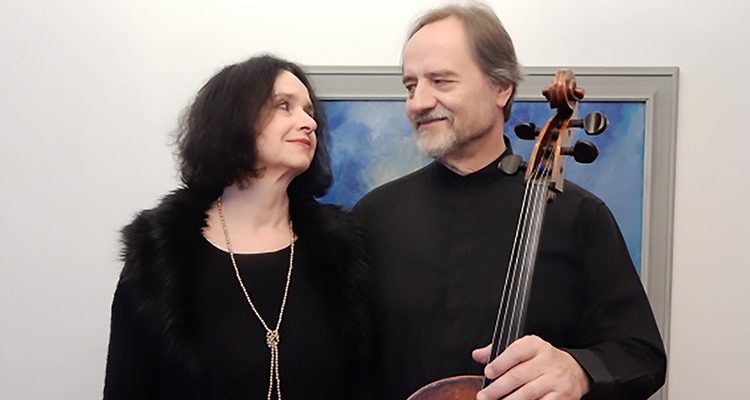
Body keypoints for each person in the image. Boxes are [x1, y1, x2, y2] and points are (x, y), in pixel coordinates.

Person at [352, 4, 666, 400]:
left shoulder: (579, 217)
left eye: (441, 81)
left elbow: (641, 356)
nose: (417, 102)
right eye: (410, 86)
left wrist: (579, 370)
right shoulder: (373, 217)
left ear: (501, 87)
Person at [104, 54, 371, 399]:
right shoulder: (157, 256)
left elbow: (365, 383)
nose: (308, 123)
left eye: (309, 111)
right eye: (284, 106)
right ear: (233, 117)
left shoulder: (342, 250)